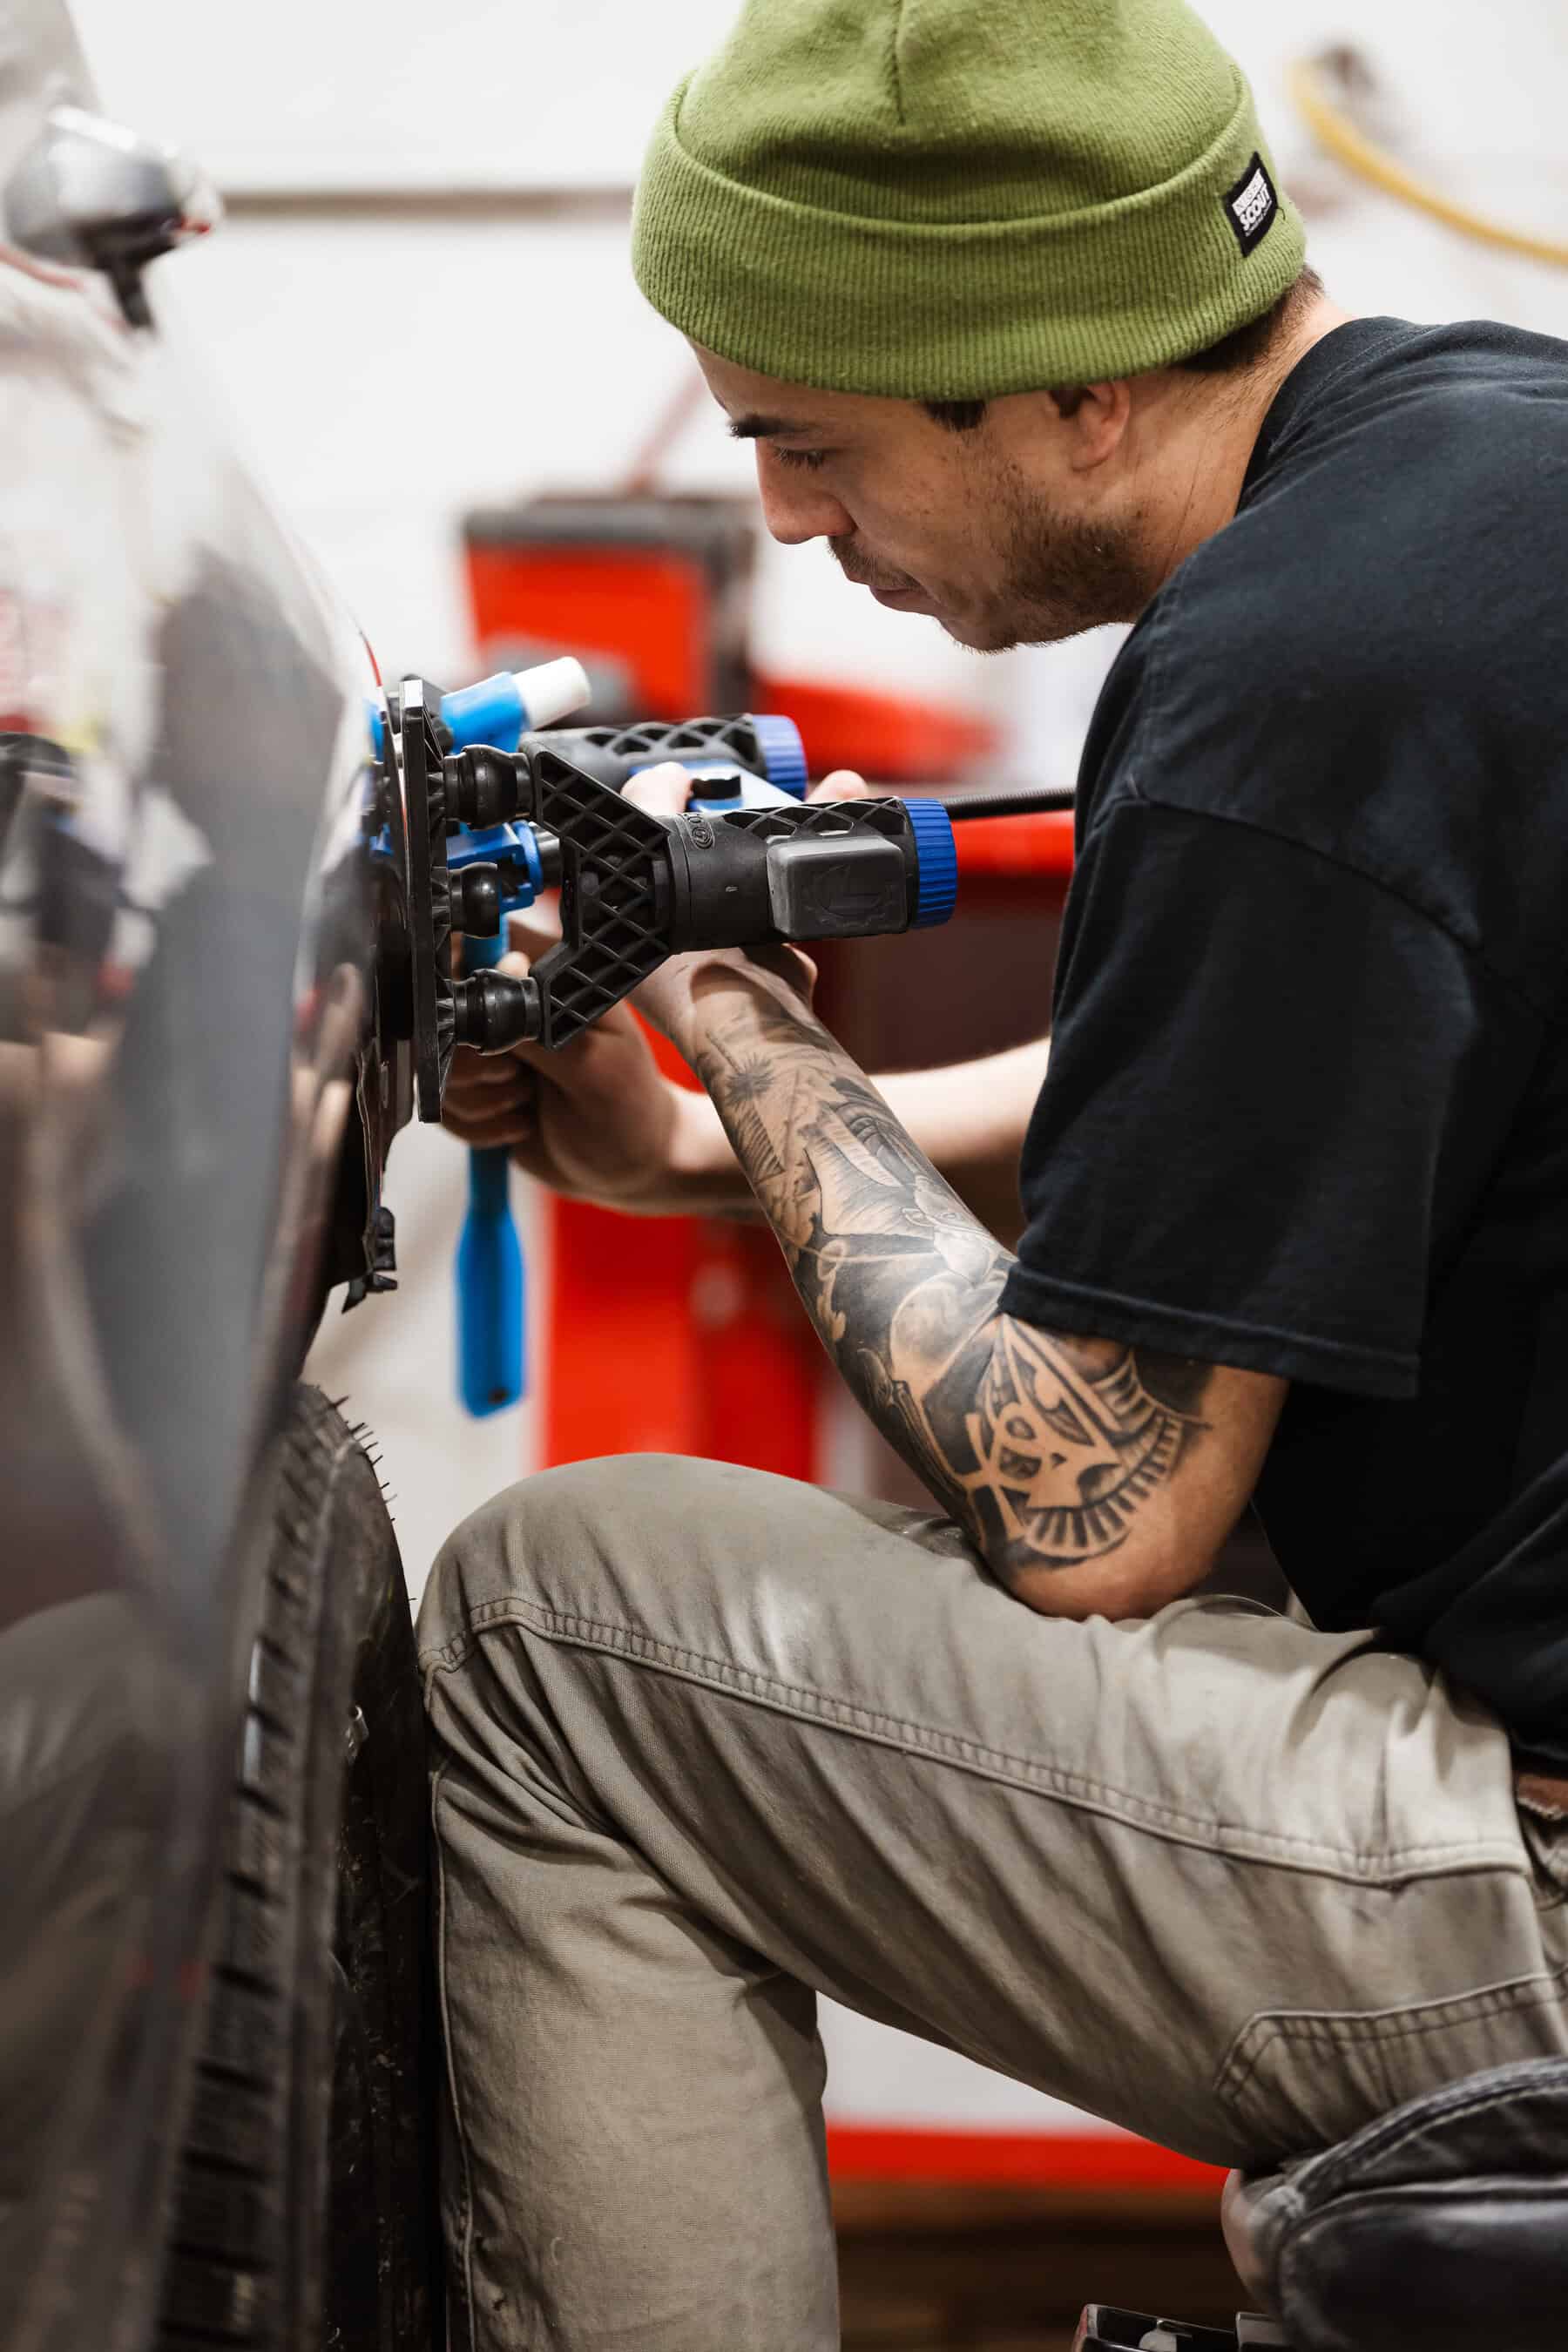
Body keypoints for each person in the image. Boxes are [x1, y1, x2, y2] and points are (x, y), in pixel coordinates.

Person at [425, 2, 1568, 2343]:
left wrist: (727, 994)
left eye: (811, 439)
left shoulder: (1293, 668)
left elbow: (1097, 1511)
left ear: (1076, 390)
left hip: (1539, 1898)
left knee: (555, 1621)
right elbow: (1270, 1078)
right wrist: (694, 1151)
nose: (787, 516)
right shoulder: (1487, 468)